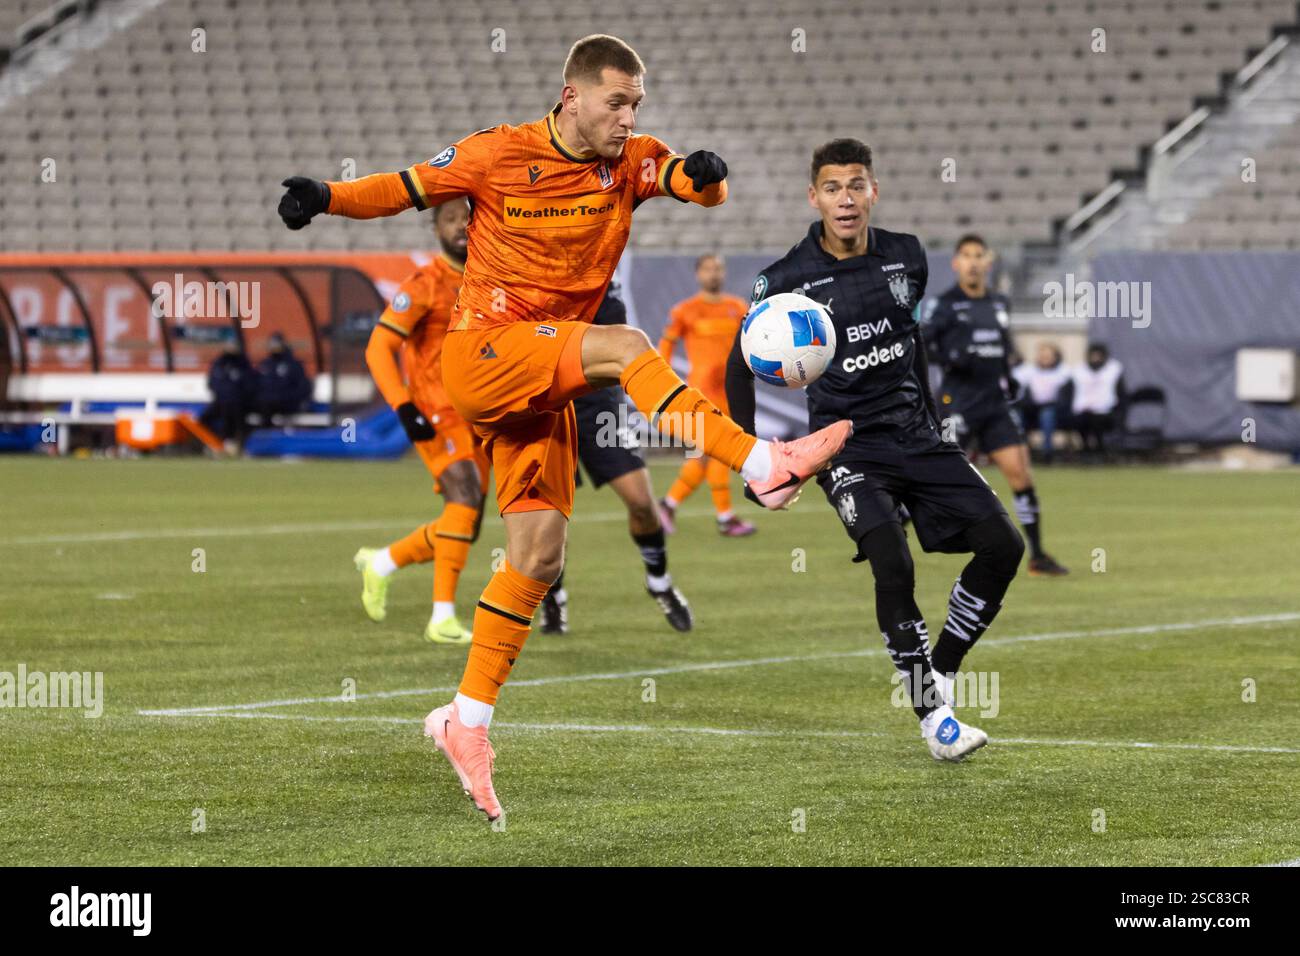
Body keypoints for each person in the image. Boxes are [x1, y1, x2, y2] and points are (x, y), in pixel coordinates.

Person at [276, 34, 850, 821]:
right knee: (626, 347)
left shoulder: (632, 159)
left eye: (637, 103)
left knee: (539, 556)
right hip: (480, 355)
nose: (629, 116)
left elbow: (687, 182)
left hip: (541, 383)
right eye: (618, 101)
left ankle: (465, 725)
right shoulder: (498, 153)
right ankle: (760, 463)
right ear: (571, 95)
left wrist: (706, 177)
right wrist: (324, 195)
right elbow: (404, 187)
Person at [727, 138, 1027, 762]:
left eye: (856, 185)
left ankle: (941, 667)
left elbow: (911, 339)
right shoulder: (785, 281)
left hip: (917, 435)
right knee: (893, 562)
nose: (846, 199)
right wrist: (749, 457)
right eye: (833, 188)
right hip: (847, 448)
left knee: (1004, 545)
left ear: (873, 191)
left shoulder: (907, 256)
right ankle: (933, 717)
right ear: (814, 197)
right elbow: (738, 367)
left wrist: (935, 413)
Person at [352, 199, 489, 644]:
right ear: (436, 231)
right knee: (464, 499)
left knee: (466, 523)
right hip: (436, 414)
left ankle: (384, 563)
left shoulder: (492, 281)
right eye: (450, 220)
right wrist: (403, 407)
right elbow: (378, 347)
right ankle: (442, 618)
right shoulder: (425, 283)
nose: (461, 227)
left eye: (467, 218)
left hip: (482, 416)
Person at [540, 281, 693, 635]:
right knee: (547, 521)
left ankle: (659, 581)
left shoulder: (600, 277)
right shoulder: (530, 270)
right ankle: (554, 599)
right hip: (544, 405)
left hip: (597, 404)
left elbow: (616, 343)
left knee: (641, 502)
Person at [921, 235, 1068, 576]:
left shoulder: (999, 303)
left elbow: (1003, 343)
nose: (973, 262)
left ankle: (1037, 556)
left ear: (989, 262)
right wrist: (952, 357)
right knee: (946, 475)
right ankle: (919, 526)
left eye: (979, 255)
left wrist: (1009, 372)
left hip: (994, 402)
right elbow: (923, 343)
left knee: (1021, 473)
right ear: (956, 263)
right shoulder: (944, 304)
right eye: (966, 256)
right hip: (956, 402)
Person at [656, 254, 756, 537]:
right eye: (708, 269)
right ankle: (723, 517)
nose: (714, 274)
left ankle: (669, 505)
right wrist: (666, 382)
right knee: (714, 454)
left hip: (731, 393)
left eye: (718, 269)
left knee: (708, 457)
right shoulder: (685, 310)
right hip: (701, 395)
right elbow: (665, 346)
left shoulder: (737, 307)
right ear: (698, 274)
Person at [1018, 342, 1071, 464]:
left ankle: (1047, 453)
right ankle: (1021, 451)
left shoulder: (1063, 373)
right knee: (1018, 415)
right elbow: (1024, 397)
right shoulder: (1029, 372)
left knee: (1047, 414)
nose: (1043, 358)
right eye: (1041, 355)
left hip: (1056, 411)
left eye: (1047, 356)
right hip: (1033, 410)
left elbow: (1064, 399)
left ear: (1055, 357)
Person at [1072, 342, 1125, 460]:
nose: (1095, 359)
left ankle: (1100, 449)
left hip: (1106, 412)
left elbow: (1121, 394)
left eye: (1098, 356)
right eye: (1093, 355)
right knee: (1082, 420)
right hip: (1084, 410)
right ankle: (1086, 448)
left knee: (1098, 420)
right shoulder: (1079, 370)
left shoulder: (1114, 369)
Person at [200, 342, 258, 445]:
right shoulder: (219, 364)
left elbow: (250, 386)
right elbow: (212, 383)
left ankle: (236, 444)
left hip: (239, 403)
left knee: (235, 417)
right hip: (221, 402)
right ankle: (213, 442)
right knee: (203, 419)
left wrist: (240, 397)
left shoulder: (243, 365)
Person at [254, 332, 313, 420]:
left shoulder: (293, 364)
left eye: (277, 344)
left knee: (267, 405)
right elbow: (257, 383)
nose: (274, 347)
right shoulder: (265, 364)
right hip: (267, 402)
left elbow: (302, 387)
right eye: (272, 344)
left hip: (287, 402)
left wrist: (289, 397)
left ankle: (266, 431)